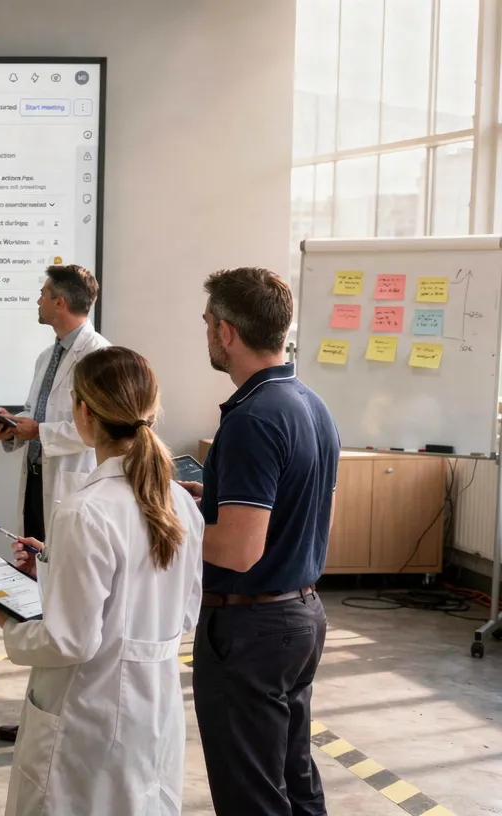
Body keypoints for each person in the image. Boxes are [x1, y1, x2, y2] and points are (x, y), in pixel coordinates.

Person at [0, 346, 203, 815]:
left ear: (84, 413)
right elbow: (183, 613)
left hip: (88, 719)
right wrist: (54, 565)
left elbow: (69, 641)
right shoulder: (181, 503)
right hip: (155, 713)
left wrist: (9, 620)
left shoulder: (85, 510)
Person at [183, 267, 338, 816]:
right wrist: (214, 497)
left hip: (250, 631)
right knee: (294, 780)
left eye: (206, 323)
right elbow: (301, 511)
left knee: (251, 794)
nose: (205, 334)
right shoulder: (310, 405)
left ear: (226, 331)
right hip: (301, 616)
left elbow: (238, 550)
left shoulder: (252, 418)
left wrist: (165, 520)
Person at [0, 263, 109, 742]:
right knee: (39, 592)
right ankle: (42, 709)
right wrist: (10, 429)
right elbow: (37, 420)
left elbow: (98, 425)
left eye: (43, 293)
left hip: (74, 489)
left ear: (60, 302)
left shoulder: (99, 356)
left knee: (68, 600)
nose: (37, 299)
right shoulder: (46, 357)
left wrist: (40, 431)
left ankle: (66, 712)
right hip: (39, 483)